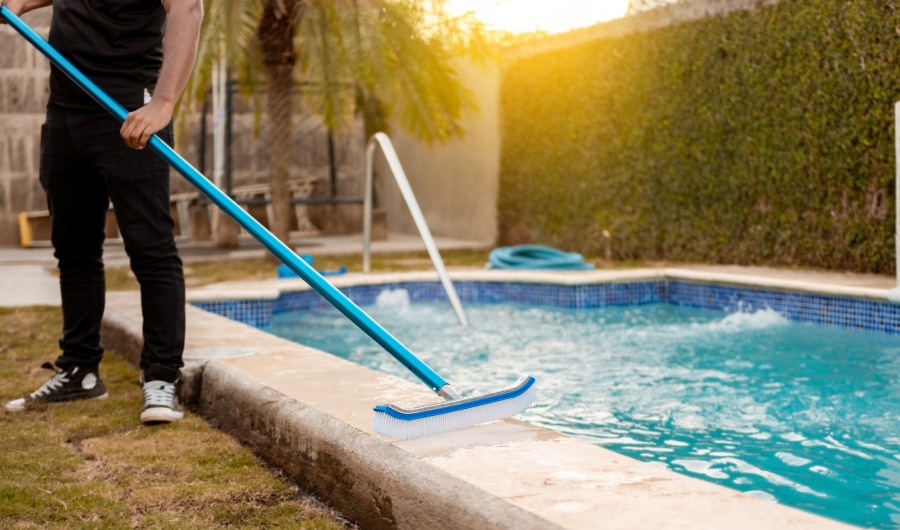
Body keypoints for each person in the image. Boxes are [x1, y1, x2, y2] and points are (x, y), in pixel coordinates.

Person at [2, 0, 203, 424]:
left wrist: (163, 103)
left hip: (131, 111)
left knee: (150, 249)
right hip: (65, 109)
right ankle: (79, 370)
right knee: (73, 249)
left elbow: (187, 8)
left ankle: (162, 377)